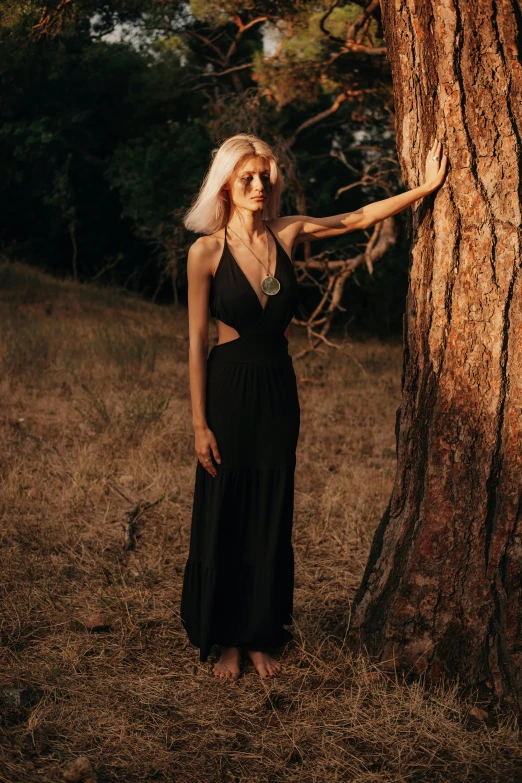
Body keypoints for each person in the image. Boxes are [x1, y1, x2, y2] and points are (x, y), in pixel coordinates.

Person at [180, 133, 447, 683]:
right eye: (247, 177)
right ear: (226, 184)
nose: (258, 186)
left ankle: (260, 636)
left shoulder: (288, 232)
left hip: (278, 389)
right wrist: (199, 423)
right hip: (229, 390)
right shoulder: (204, 252)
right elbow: (196, 343)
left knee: (271, 511)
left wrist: (426, 187)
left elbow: (357, 217)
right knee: (228, 507)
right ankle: (227, 639)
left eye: (264, 178)